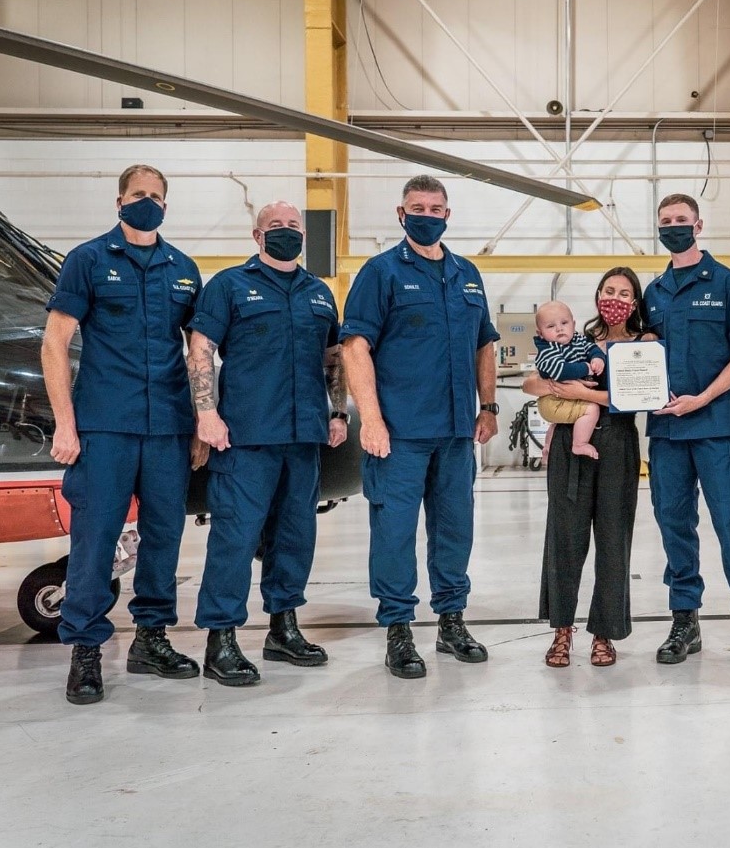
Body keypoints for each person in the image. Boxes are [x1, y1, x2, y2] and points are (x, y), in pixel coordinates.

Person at [41, 164, 206, 705]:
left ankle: (151, 639)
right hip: (104, 426)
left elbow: (199, 352)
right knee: (95, 540)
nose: (148, 203)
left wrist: (203, 419)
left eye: (157, 197)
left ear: (166, 205)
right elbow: (54, 343)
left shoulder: (183, 268)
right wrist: (65, 423)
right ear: (119, 202)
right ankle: (85, 651)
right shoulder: (87, 260)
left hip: (169, 428)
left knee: (164, 536)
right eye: (139, 195)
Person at [340, 174, 500, 680]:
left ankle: (451, 620)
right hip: (400, 433)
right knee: (394, 531)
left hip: (456, 432)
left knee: (455, 530)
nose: (427, 215)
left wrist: (490, 406)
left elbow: (485, 344)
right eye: (417, 207)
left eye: (435, 208)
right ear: (401, 213)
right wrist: (371, 419)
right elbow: (354, 346)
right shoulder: (381, 272)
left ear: (447, 215)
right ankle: (399, 630)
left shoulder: (466, 274)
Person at [186, 201, 348, 686]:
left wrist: (338, 411)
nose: (285, 232)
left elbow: (333, 357)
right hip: (246, 437)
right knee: (235, 537)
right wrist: (206, 412)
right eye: (274, 226)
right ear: (257, 236)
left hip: (304, 438)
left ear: (304, 235)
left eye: (292, 226)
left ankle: (283, 628)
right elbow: (200, 349)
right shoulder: (229, 286)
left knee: (295, 537)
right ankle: (221, 640)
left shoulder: (320, 293)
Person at [643, 193, 730, 674]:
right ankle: (685, 621)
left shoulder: (728, 283)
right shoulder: (653, 292)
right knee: (674, 525)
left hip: (718, 429)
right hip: (666, 433)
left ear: (699, 225)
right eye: (666, 221)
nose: (674, 227)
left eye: (682, 220)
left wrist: (704, 397)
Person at [524, 267, 652, 667]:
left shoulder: (645, 343)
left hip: (618, 441)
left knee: (614, 540)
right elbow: (531, 381)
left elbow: (639, 396)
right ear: (598, 295)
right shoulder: (577, 338)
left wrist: (579, 392)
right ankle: (562, 630)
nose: (615, 297)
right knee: (564, 535)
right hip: (569, 440)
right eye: (609, 290)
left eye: (625, 292)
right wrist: (561, 389)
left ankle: (604, 633)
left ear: (635, 301)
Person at [532, 300, 605, 460]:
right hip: (552, 400)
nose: (559, 329)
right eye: (550, 326)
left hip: (563, 397)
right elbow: (561, 371)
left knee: (560, 423)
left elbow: (592, 349)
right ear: (540, 333)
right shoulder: (547, 350)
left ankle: (548, 447)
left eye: (564, 323)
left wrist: (598, 358)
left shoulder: (577, 340)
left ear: (573, 324)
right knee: (592, 409)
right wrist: (586, 367)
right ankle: (579, 444)